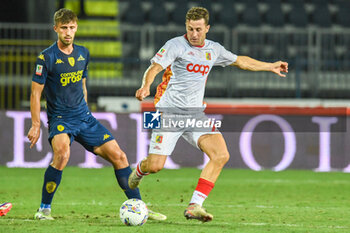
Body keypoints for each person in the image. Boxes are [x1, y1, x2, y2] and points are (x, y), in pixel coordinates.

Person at [129, 6, 288, 222]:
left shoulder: (214, 50)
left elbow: (241, 61)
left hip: (195, 114)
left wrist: (270, 66)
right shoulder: (175, 45)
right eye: (190, 29)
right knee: (155, 166)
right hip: (168, 113)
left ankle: (195, 205)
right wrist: (145, 86)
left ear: (207, 28)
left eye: (198, 29)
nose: (193, 34)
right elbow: (155, 67)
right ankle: (139, 169)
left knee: (221, 155)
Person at [27, 8, 166, 221]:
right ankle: (44, 209)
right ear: (56, 29)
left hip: (84, 117)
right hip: (61, 119)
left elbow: (82, 83)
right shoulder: (46, 57)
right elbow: (36, 94)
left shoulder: (83, 53)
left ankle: (139, 206)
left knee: (119, 156)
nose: (68, 32)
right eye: (64, 28)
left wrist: (85, 107)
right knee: (62, 155)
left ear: (76, 28)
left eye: (72, 28)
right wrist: (36, 124)